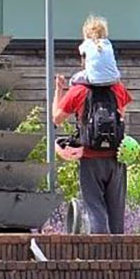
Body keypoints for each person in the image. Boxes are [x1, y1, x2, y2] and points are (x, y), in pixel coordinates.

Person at [53, 65, 128, 235]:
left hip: (89, 158)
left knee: (95, 211)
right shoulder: (118, 88)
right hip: (117, 158)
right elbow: (121, 118)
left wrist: (59, 90)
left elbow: (56, 118)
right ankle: (118, 250)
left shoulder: (78, 90)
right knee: (117, 215)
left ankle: (97, 249)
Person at [70, 16, 122, 86]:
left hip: (94, 80)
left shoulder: (86, 44)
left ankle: (74, 89)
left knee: (73, 79)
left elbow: (82, 53)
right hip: (114, 78)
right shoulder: (108, 43)